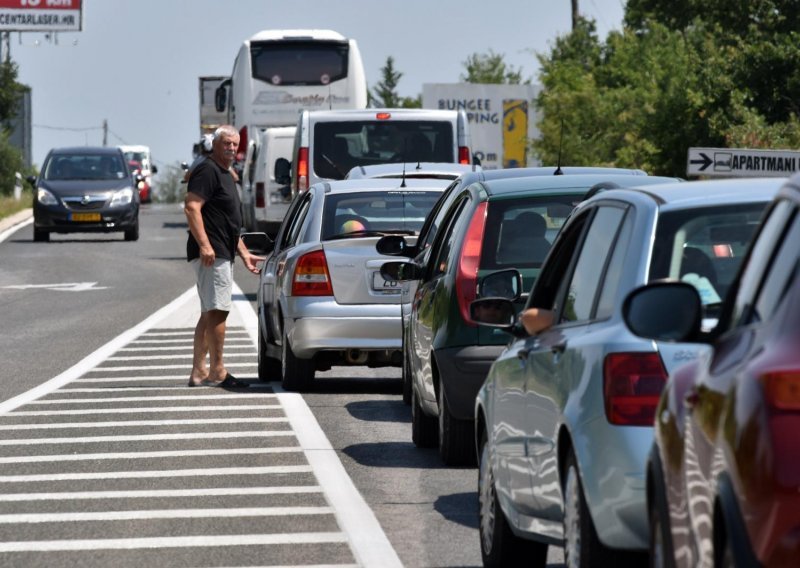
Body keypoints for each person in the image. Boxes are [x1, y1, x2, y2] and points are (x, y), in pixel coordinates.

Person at [184, 124, 264, 388]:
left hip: (221, 251)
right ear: (215, 145)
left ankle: (198, 372)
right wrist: (206, 246)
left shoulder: (225, 173)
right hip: (212, 253)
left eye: (234, 144)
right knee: (217, 312)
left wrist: (243, 253)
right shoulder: (208, 170)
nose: (231, 148)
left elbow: (227, 221)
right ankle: (217, 371)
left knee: (210, 312)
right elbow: (192, 208)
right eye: (226, 143)